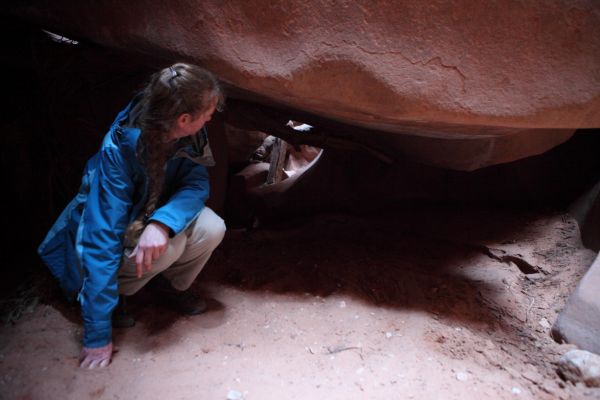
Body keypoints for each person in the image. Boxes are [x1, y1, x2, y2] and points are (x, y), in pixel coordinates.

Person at [38, 63, 226, 369]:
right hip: (118, 233)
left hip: (150, 215)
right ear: (183, 119)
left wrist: (163, 223)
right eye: (207, 112)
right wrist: (97, 334)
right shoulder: (120, 151)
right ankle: (117, 299)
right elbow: (100, 238)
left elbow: (196, 182)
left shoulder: (187, 135)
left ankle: (170, 286)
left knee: (212, 227)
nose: (211, 116)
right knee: (171, 248)